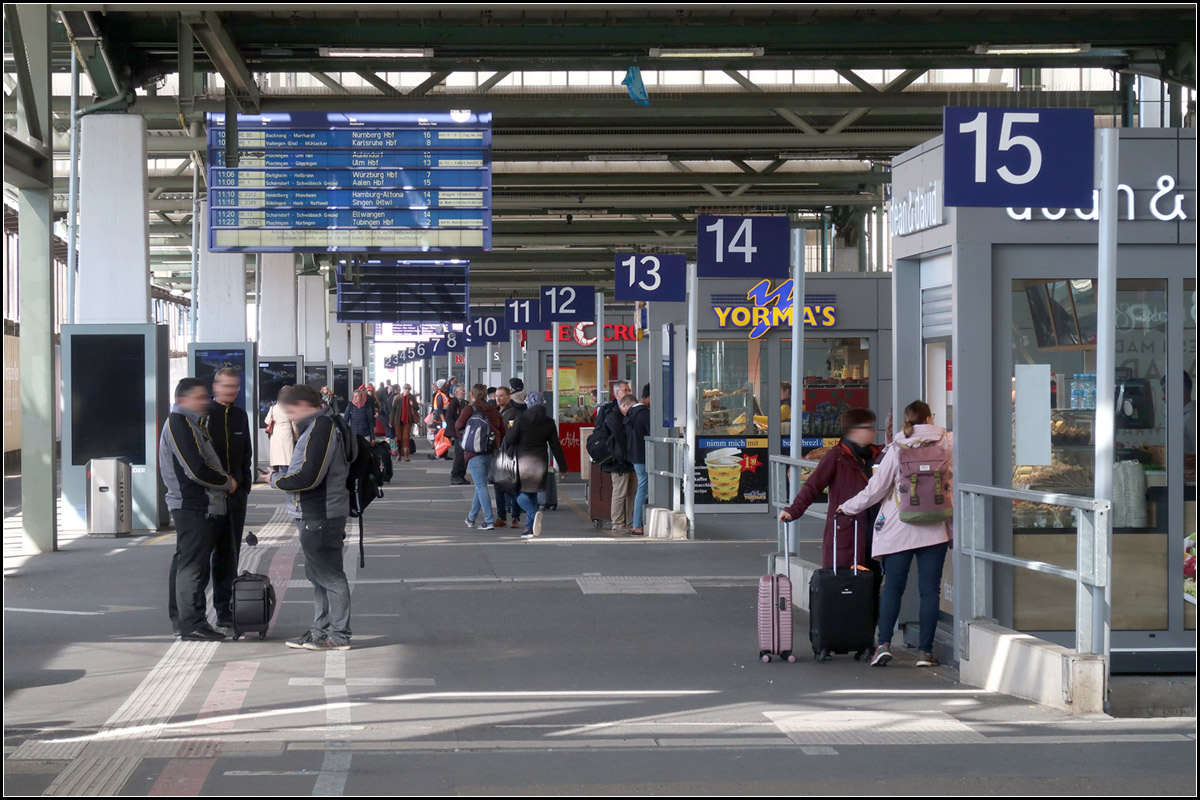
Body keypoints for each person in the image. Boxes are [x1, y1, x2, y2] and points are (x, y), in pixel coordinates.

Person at [839, 400, 952, 669]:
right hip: (934, 528)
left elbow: (876, 489)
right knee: (929, 591)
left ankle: (884, 645)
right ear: (930, 418)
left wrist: (847, 507)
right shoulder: (946, 444)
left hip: (899, 528)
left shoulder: (897, 448)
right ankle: (925, 652)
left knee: (892, 588)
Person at [270, 384, 355, 652]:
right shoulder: (326, 424)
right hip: (319, 512)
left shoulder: (321, 429)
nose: (291, 416)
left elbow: (309, 476)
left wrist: (274, 480)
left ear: (304, 404)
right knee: (318, 575)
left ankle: (338, 635)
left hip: (320, 512)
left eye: (292, 410)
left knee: (329, 576)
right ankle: (320, 631)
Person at [159, 378, 235, 641]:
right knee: (192, 567)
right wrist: (227, 482)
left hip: (196, 505)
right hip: (193, 505)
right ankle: (191, 623)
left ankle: (184, 620)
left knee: (186, 563)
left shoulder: (191, 424)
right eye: (200, 397)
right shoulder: (180, 424)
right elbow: (195, 470)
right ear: (183, 400)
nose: (206, 402)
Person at [779, 409, 885, 587]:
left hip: (877, 532)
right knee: (846, 587)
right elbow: (812, 487)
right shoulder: (836, 457)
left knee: (873, 586)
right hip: (848, 535)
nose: (874, 431)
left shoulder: (880, 455)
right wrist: (792, 511)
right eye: (869, 427)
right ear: (855, 431)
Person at [206, 367, 253, 629]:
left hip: (236, 498)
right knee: (205, 556)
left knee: (229, 554)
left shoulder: (239, 416)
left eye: (235, 386)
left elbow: (246, 452)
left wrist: (244, 485)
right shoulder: (205, 416)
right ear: (214, 386)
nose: (231, 391)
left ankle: (224, 610)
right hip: (210, 498)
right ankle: (194, 613)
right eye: (226, 386)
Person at [505, 391, 568, 539]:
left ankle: (533, 513)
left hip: (523, 461)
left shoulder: (521, 419)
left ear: (528, 403)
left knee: (517, 492)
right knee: (532, 492)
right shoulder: (549, 422)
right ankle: (530, 529)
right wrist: (563, 467)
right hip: (540, 461)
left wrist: (510, 428)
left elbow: (510, 440)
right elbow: (555, 447)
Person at [456, 383, 506, 530]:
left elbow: (458, 425)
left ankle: (489, 520)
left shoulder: (469, 409)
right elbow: (503, 431)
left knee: (481, 486)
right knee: (481, 486)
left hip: (473, 453)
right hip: (491, 453)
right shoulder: (494, 411)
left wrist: (464, 439)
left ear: (472, 396)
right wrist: (497, 445)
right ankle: (471, 518)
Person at [598, 381, 636, 533]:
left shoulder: (633, 408)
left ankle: (632, 521)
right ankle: (618, 522)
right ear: (617, 393)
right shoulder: (610, 411)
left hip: (631, 458)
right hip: (617, 458)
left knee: (632, 491)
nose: (628, 392)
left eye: (629, 390)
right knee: (620, 491)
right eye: (625, 390)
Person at [492, 386, 523, 529]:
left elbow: (512, 434)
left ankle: (515, 517)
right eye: (496, 396)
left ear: (509, 397)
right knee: (498, 485)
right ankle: (501, 517)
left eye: (501, 396)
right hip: (498, 453)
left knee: (512, 486)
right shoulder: (496, 412)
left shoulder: (513, 414)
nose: (498, 398)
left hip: (510, 454)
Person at [623, 393, 651, 535]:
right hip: (644, 456)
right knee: (643, 488)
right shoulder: (644, 414)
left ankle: (636, 523)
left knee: (641, 488)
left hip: (634, 456)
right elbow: (653, 432)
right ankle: (637, 524)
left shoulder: (630, 414)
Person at [265, 388, 298, 472]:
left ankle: (275, 475)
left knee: (276, 457)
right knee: (286, 458)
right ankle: (285, 475)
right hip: (286, 432)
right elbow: (293, 423)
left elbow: (267, 420)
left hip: (275, 433)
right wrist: (296, 436)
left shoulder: (273, 408)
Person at [390, 383, 420, 462]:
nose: (407, 390)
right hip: (398, 420)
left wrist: (413, 404)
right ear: (403, 389)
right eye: (406, 388)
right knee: (399, 438)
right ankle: (399, 455)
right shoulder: (397, 398)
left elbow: (417, 408)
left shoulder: (412, 397)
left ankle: (406, 455)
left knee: (406, 438)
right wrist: (390, 421)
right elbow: (393, 410)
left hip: (407, 420)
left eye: (409, 389)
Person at [448, 383, 469, 485]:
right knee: (459, 454)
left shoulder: (465, 403)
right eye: (463, 391)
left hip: (464, 432)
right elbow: (450, 419)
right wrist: (456, 430)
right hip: (458, 433)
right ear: (456, 393)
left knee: (464, 455)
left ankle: (461, 475)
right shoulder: (453, 404)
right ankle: (455, 475)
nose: (464, 393)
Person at [379, 384, 397, 454]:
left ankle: (388, 449)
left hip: (387, 419)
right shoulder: (394, 397)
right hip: (391, 419)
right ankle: (393, 449)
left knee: (388, 435)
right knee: (392, 435)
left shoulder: (387, 398)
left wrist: (379, 413)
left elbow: (384, 408)